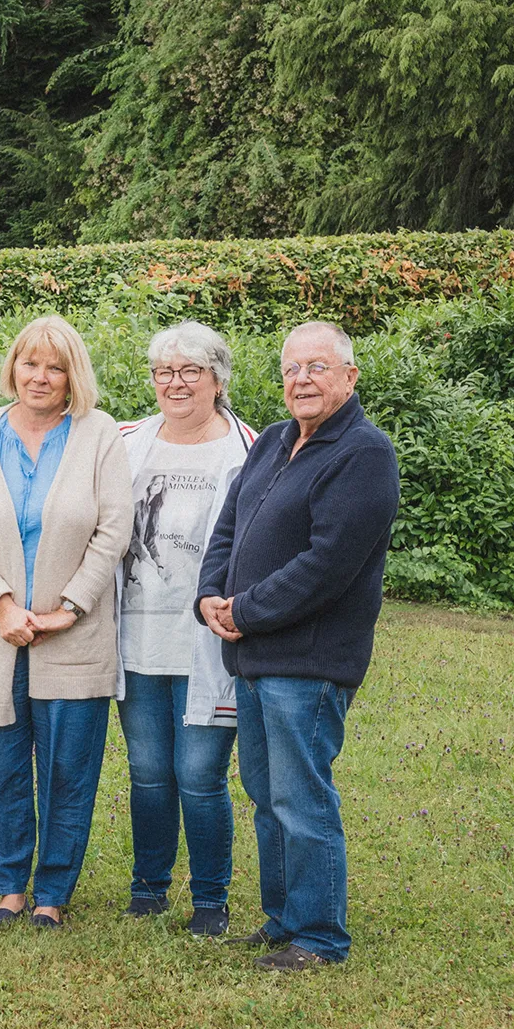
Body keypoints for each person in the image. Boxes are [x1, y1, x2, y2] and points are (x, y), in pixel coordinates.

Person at [197, 320, 398, 971]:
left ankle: (319, 936)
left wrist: (244, 610)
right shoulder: (275, 441)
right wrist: (209, 594)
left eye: (317, 366)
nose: (302, 380)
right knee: (266, 792)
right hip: (254, 655)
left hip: (309, 662)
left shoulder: (364, 454)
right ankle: (283, 917)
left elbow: (327, 564)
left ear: (349, 376)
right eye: (292, 368)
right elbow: (229, 523)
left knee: (302, 796)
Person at [0, 314, 131, 929]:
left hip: (72, 634)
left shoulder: (99, 434)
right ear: (13, 368)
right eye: (30, 363)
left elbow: (113, 533)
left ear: (72, 374)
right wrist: (2, 602)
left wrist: (66, 609)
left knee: (67, 769)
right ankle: (7, 886)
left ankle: (52, 892)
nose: (41, 377)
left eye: (55, 366)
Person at [114, 321, 256, 936]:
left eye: (190, 371)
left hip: (210, 642)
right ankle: (149, 886)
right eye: (164, 372)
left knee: (199, 774)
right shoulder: (125, 442)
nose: (175, 383)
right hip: (136, 638)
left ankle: (210, 897)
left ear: (218, 380)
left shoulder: (251, 449)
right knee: (147, 769)